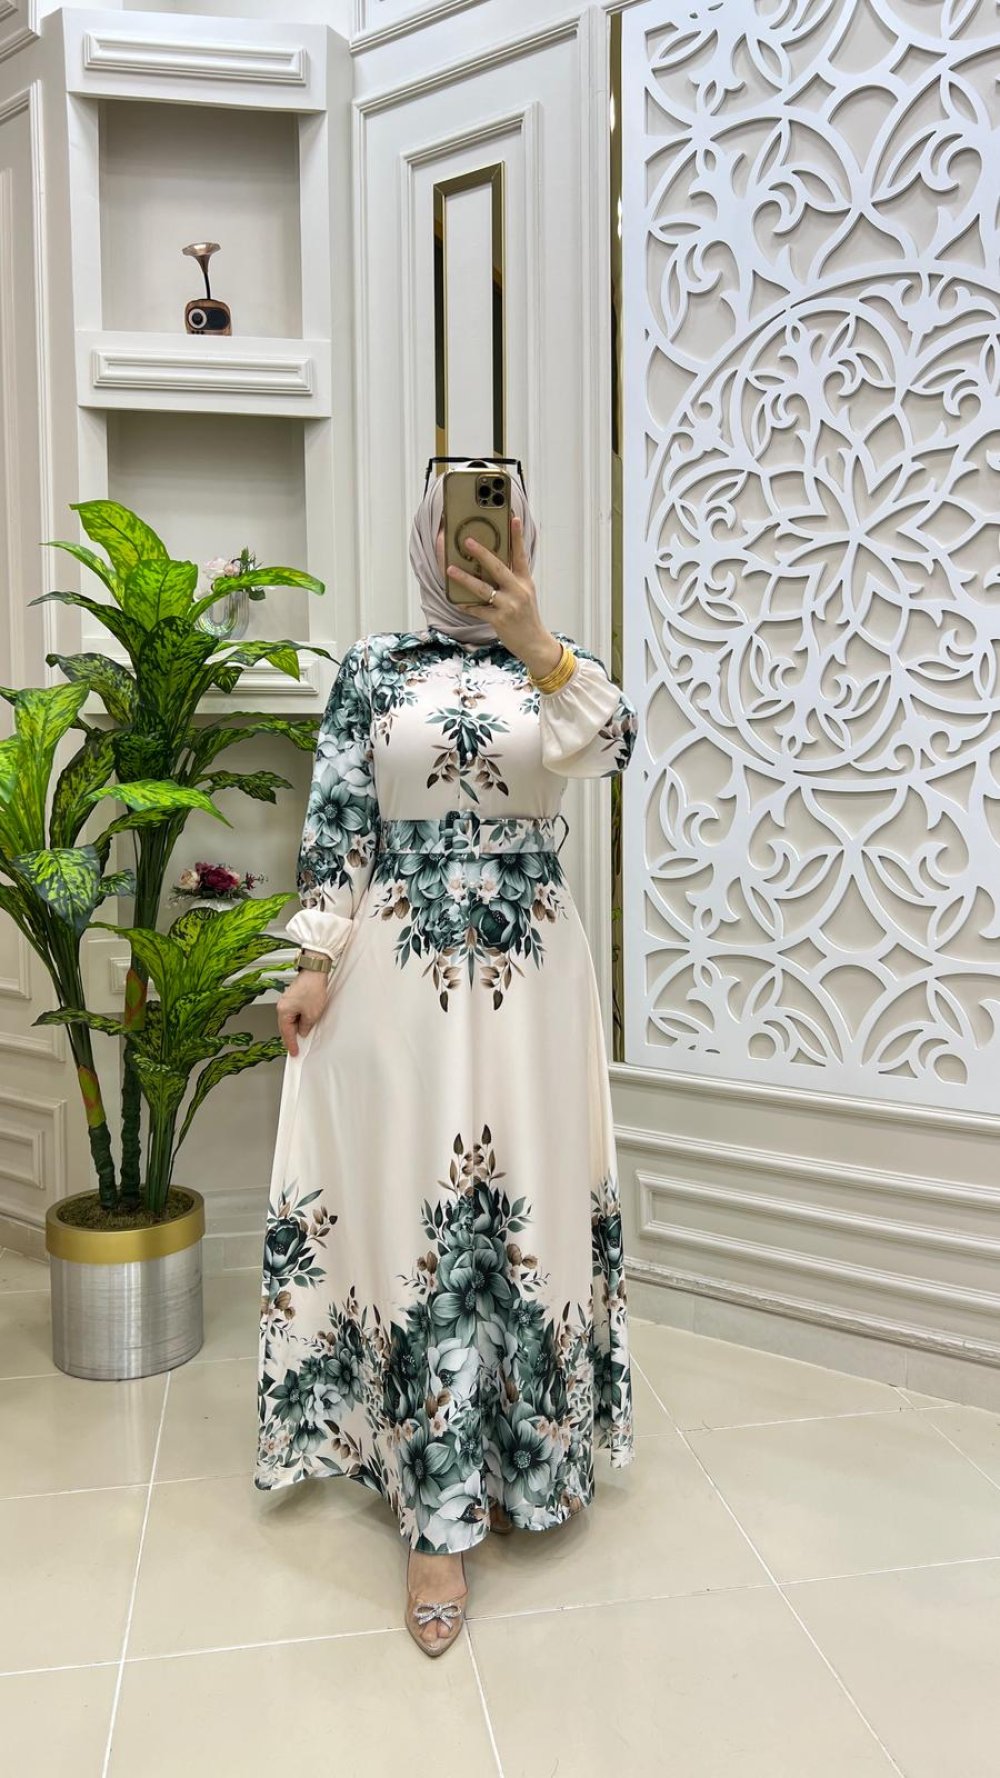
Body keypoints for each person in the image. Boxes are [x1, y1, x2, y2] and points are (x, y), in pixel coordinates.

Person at [256, 457, 639, 1657]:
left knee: (524, 1208)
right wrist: (314, 955)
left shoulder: (558, 663)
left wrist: (538, 643)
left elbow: (610, 746)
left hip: (531, 976)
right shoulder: (372, 667)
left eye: (501, 526)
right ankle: (433, 1511)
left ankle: (523, 1452)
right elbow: (338, 819)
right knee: (417, 1212)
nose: (480, 546)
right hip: (400, 972)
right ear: (431, 535)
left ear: (523, 537)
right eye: (465, 527)